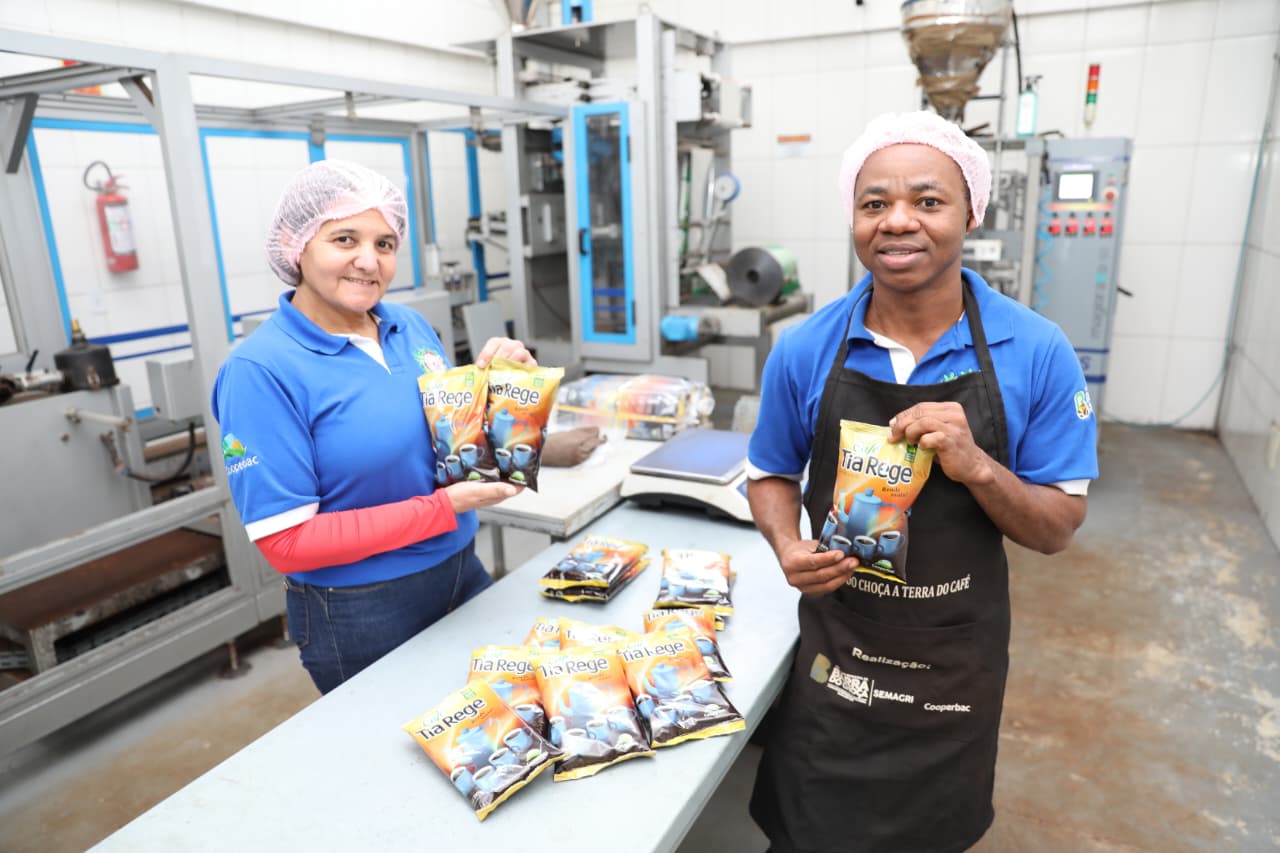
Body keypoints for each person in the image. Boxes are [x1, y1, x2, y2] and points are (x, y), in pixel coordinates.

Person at [745, 111, 1098, 852]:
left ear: (971, 211)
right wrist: (785, 542)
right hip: (838, 663)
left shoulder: (1035, 350)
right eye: (875, 203)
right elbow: (770, 472)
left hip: (951, 668)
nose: (897, 222)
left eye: (927, 201)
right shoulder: (806, 347)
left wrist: (976, 467)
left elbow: (1058, 526)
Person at [211, 159, 535, 695]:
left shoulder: (406, 325)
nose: (368, 260)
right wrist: (444, 509)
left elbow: (453, 448)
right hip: (360, 608)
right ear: (297, 245)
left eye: (384, 244)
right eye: (344, 239)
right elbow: (288, 542)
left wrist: (504, 389)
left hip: (460, 570)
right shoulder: (261, 371)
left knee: (501, 733)